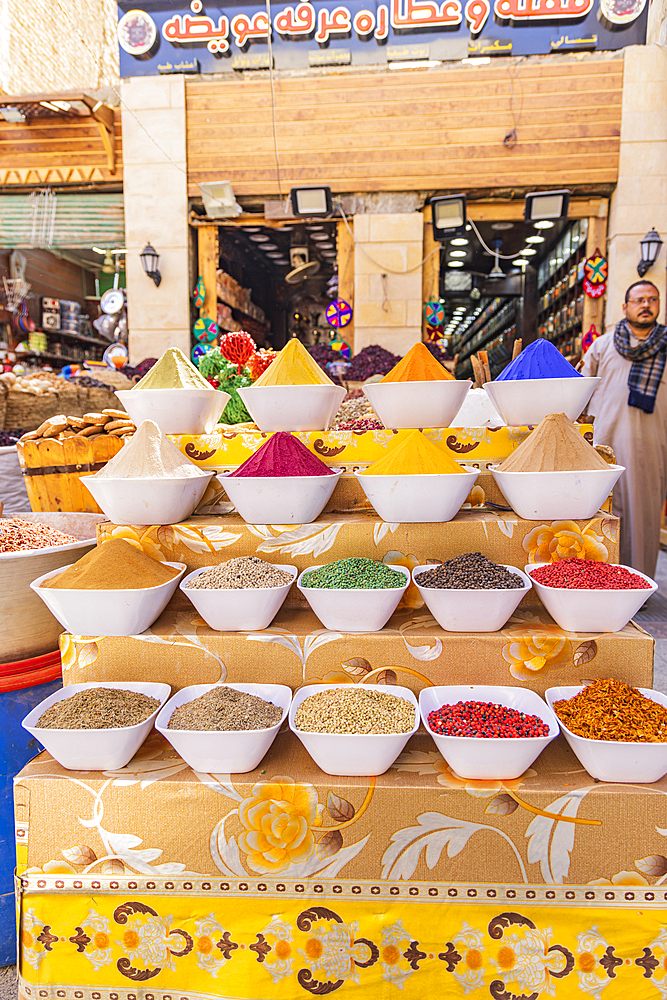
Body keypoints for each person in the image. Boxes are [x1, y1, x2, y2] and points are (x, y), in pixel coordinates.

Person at [581, 280, 667, 577]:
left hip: (652, 446)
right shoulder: (603, 345)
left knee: (644, 516)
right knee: (603, 510)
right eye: (639, 300)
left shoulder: (665, 346)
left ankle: (639, 581)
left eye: (652, 300)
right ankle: (601, 577)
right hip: (606, 445)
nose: (646, 305)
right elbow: (581, 390)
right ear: (625, 307)